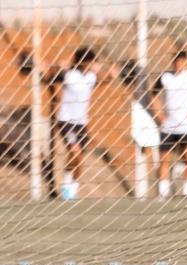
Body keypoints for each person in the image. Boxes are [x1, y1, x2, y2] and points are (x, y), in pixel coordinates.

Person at [47, 47, 112, 200]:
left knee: (79, 159)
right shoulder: (70, 75)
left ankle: (70, 186)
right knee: (75, 151)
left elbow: (103, 80)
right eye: (91, 62)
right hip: (66, 121)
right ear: (83, 62)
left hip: (82, 123)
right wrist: (60, 66)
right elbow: (50, 74)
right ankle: (66, 187)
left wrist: (109, 76)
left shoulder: (91, 77)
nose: (93, 64)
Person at [151, 50, 187, 198]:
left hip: (186, 127)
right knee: (164, 160)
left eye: (181, 62)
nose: (179, 65)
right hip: (168, 127)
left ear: (185, 62)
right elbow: (153, 95)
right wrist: (159, 115)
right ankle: (163, 194)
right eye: (176, 62)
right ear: (173, 62)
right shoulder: (165, 77)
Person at [121, 60, 160, 200]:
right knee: (141, 154)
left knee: (156, 155)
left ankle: (162, 190)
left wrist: (157, 116)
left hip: (148, 116)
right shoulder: (133, 95)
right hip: (140, 115)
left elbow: (150, 94)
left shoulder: (145, 87)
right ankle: (141, 192)